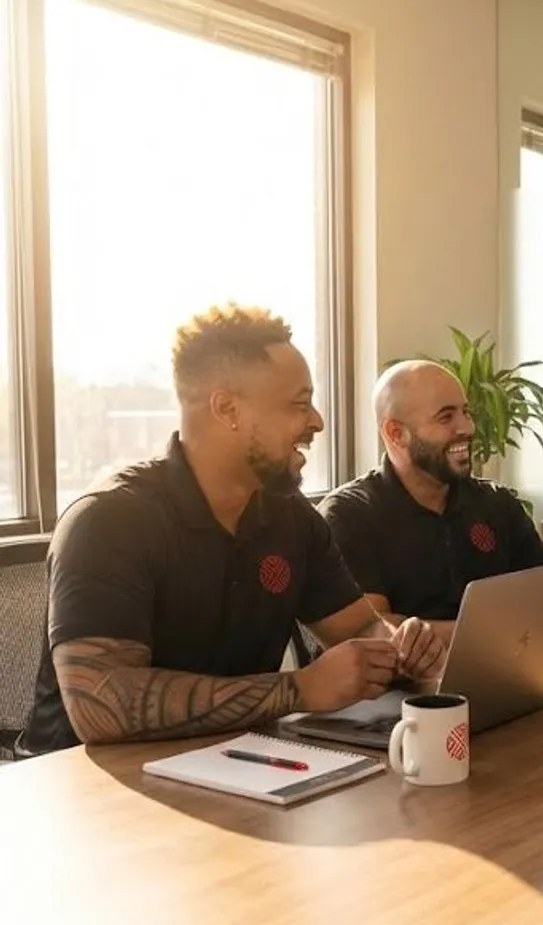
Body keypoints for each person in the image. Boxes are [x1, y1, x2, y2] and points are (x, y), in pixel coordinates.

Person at [19, 305, 444, 756]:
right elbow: (100, 707)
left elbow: (358, 625)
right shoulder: (107, 521)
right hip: (82, 780)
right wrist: (299, 689)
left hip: (233, 761)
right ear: (227, 409)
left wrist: (400, 647)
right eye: (299, 404)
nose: (317, 421)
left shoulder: (291, 517)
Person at [319, 360, 543, 643]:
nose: (466, 428)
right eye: (446, 417)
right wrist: (494, 633)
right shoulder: (350, 514)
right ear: (396, 433)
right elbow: (373, 634)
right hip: (404, 675)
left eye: (466, 412)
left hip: (505, 663)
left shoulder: (497, 504)